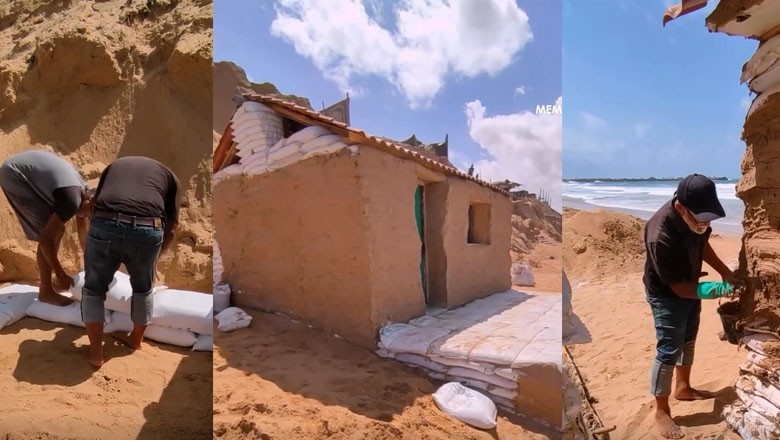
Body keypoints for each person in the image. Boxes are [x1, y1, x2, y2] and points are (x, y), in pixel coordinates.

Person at [643, 174, 737, 439]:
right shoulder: (660, 235)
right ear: (681, 208)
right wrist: (711, 291)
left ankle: (683, 388)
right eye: (701, 218)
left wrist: (725, 272)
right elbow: (677, 288)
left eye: (709, 218)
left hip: (691, 285)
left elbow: (703, 244)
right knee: (669, 348)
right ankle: (661, 410)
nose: (705, 223)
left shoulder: (698, 219)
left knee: (688, 339)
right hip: (666, 293)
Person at [80, 156, 179, 368]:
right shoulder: (170, 179)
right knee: (143, 288)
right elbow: (171, 225)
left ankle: (96, 352)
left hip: (106, 224)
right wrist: (153, 256)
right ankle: (136, 340)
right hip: (148, 230)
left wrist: (96, 240)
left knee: (93, 289)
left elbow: (93, 204)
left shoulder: (114, 166)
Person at [0, 150, 94, 306]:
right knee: (52, 232)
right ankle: (46, 291)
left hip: (27, 171)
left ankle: (48, 284)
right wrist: (60, 273)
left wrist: (93, 268)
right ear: (89, 200)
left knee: (56, 229)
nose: (88, 218)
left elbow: (84, 239)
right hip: (15, 175)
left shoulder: (83, 193)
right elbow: (45, 240)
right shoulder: (72, 201)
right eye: (90, 214)